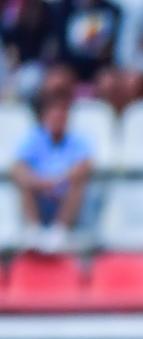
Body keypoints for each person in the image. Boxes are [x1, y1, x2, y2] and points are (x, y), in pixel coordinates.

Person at [12, 94, 93, 252]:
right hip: (40, 194)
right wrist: (40, 183)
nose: (58, 120)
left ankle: (60, 230)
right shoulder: (34, 137)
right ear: (45, 118)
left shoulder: (78, 140)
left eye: (61, 116)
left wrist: (57, 181)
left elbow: (84, 166)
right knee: (23, 181)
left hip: (65, 193)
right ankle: (33, 230)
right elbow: (17, 167)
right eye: (54, 116)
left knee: (78, 183)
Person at [55, 0, 124, 106]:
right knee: (56, 81)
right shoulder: (63, 9)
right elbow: (61, 49)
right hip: (71, 67)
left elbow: (115, 50)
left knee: (109, 83)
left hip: (101, 67)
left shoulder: (112, 11)